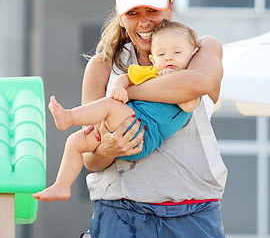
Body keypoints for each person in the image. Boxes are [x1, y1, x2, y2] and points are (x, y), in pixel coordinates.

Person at [80, 0, 232, 238]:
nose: (144, 21)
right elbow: (90, 157)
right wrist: (110, 149)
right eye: (133, 12)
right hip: (122, 213)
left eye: (152, 10)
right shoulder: (102, 66)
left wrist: (126, 89)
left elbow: (199, 83)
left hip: (191, 212)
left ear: (169, 6)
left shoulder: (200, 49)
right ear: (120, 14)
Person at [33, 20, 200, 202]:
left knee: (109, 104)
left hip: (145, 134)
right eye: (161, 54)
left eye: (177, 53)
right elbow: (125, 77)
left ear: (193, 55)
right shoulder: (150, 72)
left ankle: (69, 116)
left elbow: (190, 105)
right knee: (74, 141)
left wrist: (173, 81)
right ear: (152, 58)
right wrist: (118, 87)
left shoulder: (189, 83)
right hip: (126, 122)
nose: (169, 58)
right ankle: (62, 185)